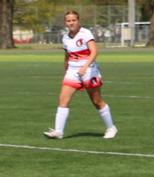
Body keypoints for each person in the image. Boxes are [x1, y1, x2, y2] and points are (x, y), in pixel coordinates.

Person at [43, 10, 117, 140]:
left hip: (89, 71)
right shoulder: (65, 37)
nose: (71, 23)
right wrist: (66, 67)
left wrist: (85, 66)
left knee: (97, 101)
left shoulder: (85, 33)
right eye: (68, 21)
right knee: (63, 99)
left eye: (73, 20)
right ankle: (59, 131)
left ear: (78, 21)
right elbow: (67, 55)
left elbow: (94, 51)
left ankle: (111, 128)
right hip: (72, 71)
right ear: (65, 23)